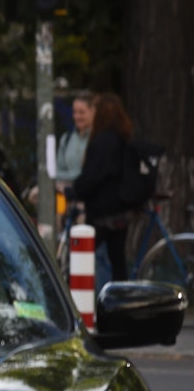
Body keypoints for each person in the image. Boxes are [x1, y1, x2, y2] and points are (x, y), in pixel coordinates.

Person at [70, 92, 142, 282]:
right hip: (121, 211)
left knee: (84, 257)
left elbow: (92, 177)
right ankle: (120, 301)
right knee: (117, 261)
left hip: (102, 212)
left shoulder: (101, 142)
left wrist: (75, 190)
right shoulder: (124, 139)